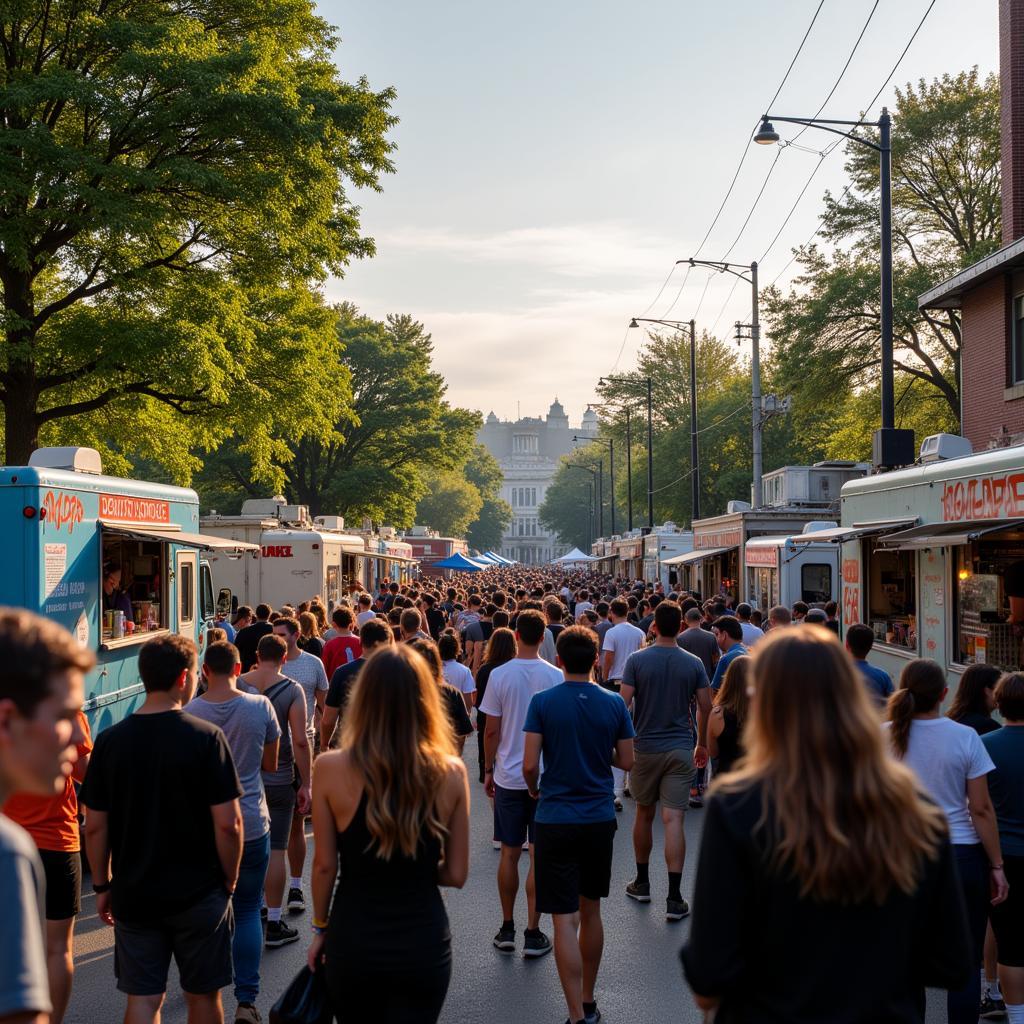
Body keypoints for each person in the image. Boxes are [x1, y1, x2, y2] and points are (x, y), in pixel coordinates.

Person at [682, 628, 971, 1022]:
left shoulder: (739, 807)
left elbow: (709, 973)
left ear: (764, 703)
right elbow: (950, 963)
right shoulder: (916, 809)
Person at [82, 634, 243, 1024]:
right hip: (200, 891)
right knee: (203, 996)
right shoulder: (207, 738)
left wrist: (103, 886)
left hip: (135, 892)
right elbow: (230, 823)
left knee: (143, 997)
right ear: (184, 678)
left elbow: (94, 826)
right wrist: (230, 878)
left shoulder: (109, 742)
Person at [307, 645, 470, 1024]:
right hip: (423, 939)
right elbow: (458, 873)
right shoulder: (450, 772)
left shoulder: (330, 768)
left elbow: (324, 867)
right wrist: (412, 869)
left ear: (363, 697)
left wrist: (319, 928)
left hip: (354, 937)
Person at [887, 658, 1009, 1024]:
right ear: (944, 694)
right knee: (965, 957)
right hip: (960, 855)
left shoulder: (880, 735)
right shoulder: (965, 737)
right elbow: (982, 809)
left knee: (903, 957)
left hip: (898, 855)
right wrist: (998, 866)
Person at [523, 626, 635, 1024]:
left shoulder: (543, 702)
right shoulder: (613, 705)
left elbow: (530, 764)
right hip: (598, 817)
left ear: (559, 661)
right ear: (595, 662)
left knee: (562, 919)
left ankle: (574, 1013)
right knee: (592, 911)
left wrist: (535, 790)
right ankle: (589, 999)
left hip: (555, 815)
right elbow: (626, 761)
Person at [0, 609, 92, 1024]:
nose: (77, 737)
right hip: (57, 841)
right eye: (62, 717)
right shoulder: (8, 852)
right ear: (7, 720)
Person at [185, 642, 280, 1024]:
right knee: (246, 910)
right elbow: (270, 765)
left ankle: (202, 990)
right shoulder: (260, 707)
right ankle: (246, 1001)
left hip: (203, 828)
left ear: (204, 670)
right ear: (239, 667)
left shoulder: (188, 713)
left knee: (204, 913)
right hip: (252, 823)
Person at [620, 601, 710, 920]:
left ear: (654, 626)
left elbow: (623, 704)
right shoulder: (694, 663)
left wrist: (623, 743)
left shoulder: (637, 660)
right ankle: (674, 897)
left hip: (645, 746)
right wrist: (702, 743)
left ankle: (642, 882)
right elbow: (705, 705)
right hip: (681, 746)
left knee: (644, 814)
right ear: (682, 627)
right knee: (674, 820)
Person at [480, 609, 560, 958]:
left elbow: (491, 729)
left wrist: (486, 768)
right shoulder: (556, 676)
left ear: (515, 636)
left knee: (510, 853)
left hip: (509, 775)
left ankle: (507, 926)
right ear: (543, 637)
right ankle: (533, 930)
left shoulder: (499, 674)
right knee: (539, 856)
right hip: (546, 777)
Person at [240, 634, 311, 951]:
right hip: (281, 779)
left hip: (244, 780)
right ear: (285, 659)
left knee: (246, 849)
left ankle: (248, 911)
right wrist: (306, 781)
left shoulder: (238, 684)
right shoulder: (292, 690)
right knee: (277, 850)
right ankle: (274, 920)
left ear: (257, 654)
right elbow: (299, 740)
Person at [273, 615, 329, 914]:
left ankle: (295, 886)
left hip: (301, 748)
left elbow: (323, 702)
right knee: (270, 827)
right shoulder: (266, 667)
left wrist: (323, 736)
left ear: (296, 634)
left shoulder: (312, 664)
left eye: (282, 633)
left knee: (296, 823)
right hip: (271, 751)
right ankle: (268, 895)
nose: (278, 638)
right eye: (275, 634)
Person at [983, 672, 1024, 1024]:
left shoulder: (986, 744)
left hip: (1003, 853)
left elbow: (978, 806)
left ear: (998, 703)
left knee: (1011, 944)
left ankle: (1016, 1016)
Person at [321, 619, 392, 750]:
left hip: (349, 745)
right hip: (386, 747)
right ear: (385, 643)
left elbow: (328, 719)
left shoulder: (342, 672)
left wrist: (324, 744)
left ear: (360, 641)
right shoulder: (396, 671)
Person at [474, 627, 517, 785]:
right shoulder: (513, 669)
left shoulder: (485, 669)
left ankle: (484, 768)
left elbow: (477, 695)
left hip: (485, 711)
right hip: (507, 712)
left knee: (484, 738)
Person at [707, 655, 750, 774]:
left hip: (725, 778)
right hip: (755, 780)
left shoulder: (717, 715)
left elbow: (713, 752)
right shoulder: (761, 713)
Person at [845, 623, 894, 707]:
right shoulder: (883, 677)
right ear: (870, 646)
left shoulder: (835, 674)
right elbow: (892, 705)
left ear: (847, 645)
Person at [948, 663, 1002, 736]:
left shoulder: (953, 719)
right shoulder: (989, 727)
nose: (1002, 693)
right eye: (999, 689)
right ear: (987, 691)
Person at [677, 607, 718, 680]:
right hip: (707, 677)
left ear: (686, 619)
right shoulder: (711, 636)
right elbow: (715, 659)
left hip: (688, 677)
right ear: (700, 618)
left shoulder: (680, 638)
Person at [321, 608, 362, 681]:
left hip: (336, 685)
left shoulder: (329, 645)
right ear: (351, 623)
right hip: (358, 685)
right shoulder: (361, 642)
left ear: (333, 624)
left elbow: (324, 669)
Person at [439, 631, 476, 712]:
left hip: (437, 718)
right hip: (457, 717)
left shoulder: (432, 669)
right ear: (457, 649)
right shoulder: (465, 671)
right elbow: (468, 703)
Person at [709, 616, 747, 690]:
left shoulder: (725, 659)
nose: (716, 639)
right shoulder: (749, 653)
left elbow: (714, 692)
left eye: (717, 634)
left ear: (724, 635)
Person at [234, 603, 273, 672]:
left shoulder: (244, 631)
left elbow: (235, 651)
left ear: (256, 614)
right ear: (269, 615)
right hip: (270, 669)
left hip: (247, 670)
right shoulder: (275, 630)